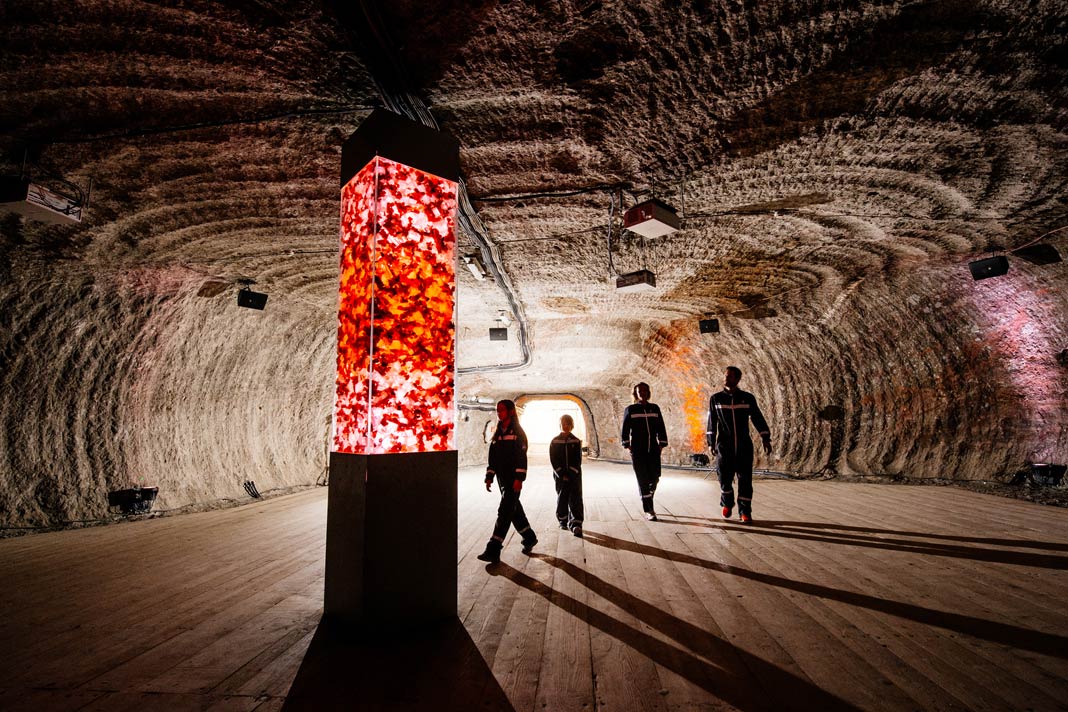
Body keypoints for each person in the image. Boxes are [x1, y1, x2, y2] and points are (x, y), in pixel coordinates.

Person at [706, 366, 771, 524]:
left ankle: (745, 512)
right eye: (725, 376)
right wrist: (711, 442)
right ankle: (727, 502)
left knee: (745, 480)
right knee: (724, 478)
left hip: (743, 446)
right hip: (724, 446)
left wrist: (765, 437)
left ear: (737, 379)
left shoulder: (747, 398)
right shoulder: (716, 399)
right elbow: (711, 422)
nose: (726, 379)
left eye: (729, 377)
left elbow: (757, 417)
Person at [477, 400, 538, 564]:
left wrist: (519, 479)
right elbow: (493, 457)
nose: (499, 413)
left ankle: (493, 548)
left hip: (513, 480)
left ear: (511, 411)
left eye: (502, 410)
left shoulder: (518, 432)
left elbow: (521, 457)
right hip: (501, 479)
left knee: (504, 511)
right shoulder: (497, 433)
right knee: (514, 510)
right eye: (497, 410)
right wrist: (489, 476)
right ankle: (529, 537)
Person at [620, 382, 668, 521]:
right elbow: (625, 429)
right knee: (643, 480)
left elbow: (661, 426)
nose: (642, 393)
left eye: (645, 390)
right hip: (638, 450)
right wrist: (628, 445)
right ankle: (649, 510)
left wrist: (661, 444)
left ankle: (647, 496)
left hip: (653, 448)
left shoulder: (655, 408)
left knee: (655, 477)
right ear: (636, 394)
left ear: (648, 392)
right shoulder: (631, 409)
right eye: (639, 391)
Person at [550, 414, 584, 537]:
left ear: (571, 425)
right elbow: (553, 460)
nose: (565, 426)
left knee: (575, 498)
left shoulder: (576, 441)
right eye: (563, 424)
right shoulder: (555, 441)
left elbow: (577, 460)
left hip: (574, 476)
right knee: (562, 497)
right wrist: (561, 473)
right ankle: (563, 520)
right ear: (560, 425)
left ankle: (576, 523)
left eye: (568, 424)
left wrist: (571, 473)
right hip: (560, 477)